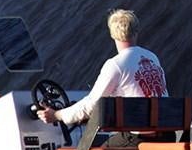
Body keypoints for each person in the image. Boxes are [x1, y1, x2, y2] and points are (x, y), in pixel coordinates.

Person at [39, 9, 168, 137]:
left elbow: (91, 105)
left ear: (112, 34)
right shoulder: (153, 58)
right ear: (136, 31)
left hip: (139, 137)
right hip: (167, 134)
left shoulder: (116, 65)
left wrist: (57, 115)